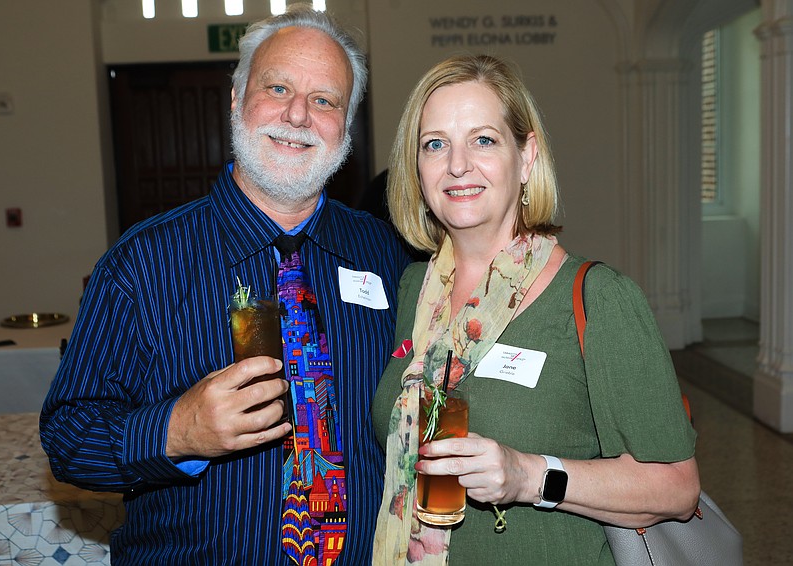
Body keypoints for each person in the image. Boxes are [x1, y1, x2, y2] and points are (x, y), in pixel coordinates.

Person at [40, 5, 411, 565]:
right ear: (237, 100)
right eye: (278, 88)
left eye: (324, 100)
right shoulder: (143, 264)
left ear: (346, 125)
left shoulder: (387, 255)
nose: (298, 115)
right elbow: (68, 439)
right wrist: (177, 431)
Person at [371, 54, 700, 565]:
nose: (457, 165)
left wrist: (528, 476)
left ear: (526, 158)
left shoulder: (599, 298)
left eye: (483, 140)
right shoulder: (414, 289)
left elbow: (677, 488)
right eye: (435, 144)